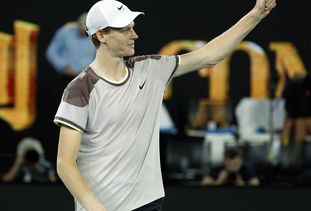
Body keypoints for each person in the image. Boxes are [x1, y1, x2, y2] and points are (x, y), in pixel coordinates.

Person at [54, 0, 276, 210]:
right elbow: (65, 163)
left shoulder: (150, 69)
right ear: (101, 35)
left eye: (133, 27)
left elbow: (209, 55)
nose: (135, 35)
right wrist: (96, 208)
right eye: (125, 29)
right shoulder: (79, 89)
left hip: (147, 203)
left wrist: (255, 15)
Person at [46, 12, 95, 85]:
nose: (84, 29)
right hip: (64, 78)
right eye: (82, 25)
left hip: (87, 80)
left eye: (87, 28)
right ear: (77, 23)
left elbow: (98, 57)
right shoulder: (65, 32)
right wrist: (64, 66)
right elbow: (51, 52)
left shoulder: (96, 37)